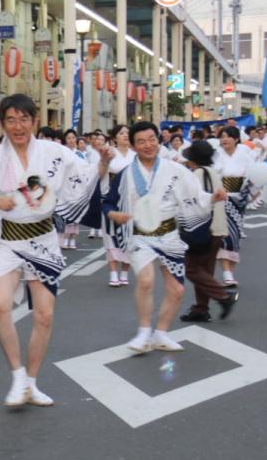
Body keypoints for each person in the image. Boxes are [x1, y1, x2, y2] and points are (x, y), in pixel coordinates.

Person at [0, 94, 106, 408]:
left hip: (43, 240)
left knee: (44, 316)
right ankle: (16, 375)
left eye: (24, 119)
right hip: (8, 242)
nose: (18, 126)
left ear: (35, 121)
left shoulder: (56, 153)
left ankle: (32, 382)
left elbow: (84, 181)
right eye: (10, 120)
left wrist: (104, 163)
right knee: (1, 305)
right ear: (2, 124)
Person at [103, 121, 228, 354]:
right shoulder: (126, 175)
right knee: (146, 280)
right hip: (140, 236)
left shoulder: (177, 170)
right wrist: (113, 213)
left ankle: (160, 334)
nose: (148, 145)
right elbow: (108, 201)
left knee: (177, 290)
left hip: (169, 235)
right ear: (133, 146)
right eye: (141, 141)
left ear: (159, 141)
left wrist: (214, 198)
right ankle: (143, 332)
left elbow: (197, 195)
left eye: (152, 139)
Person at [178, 141, 238, 323]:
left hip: (201, 228)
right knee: (205, 270)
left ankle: (224, 296)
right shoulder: (213, 172)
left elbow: (192, 202)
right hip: (217, 227)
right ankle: (201, 309)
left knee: (191, 269)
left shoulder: (195, 174)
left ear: (193, 158)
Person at [214, 125, 254, 288]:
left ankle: (230, 271)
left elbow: (253, 174)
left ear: (236, 139)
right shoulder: (216, 155)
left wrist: (252, 192)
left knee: (235, 235)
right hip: (221, 198)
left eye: (228, 136)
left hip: (239, 199)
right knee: (224, 235)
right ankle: (227, 274)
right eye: (222, 136)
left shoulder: (245, 154)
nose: (224, 139)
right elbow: (212, 174)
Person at [102, 124, 135, 286]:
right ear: (115, 137)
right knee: (110, 235)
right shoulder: (109, 153)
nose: (125, 136)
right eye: (121, 133)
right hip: (112, 197)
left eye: (128, 133)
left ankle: (124, 272)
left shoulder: (135, 155)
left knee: (129, 234)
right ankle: (113, 272)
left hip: (130, 199)